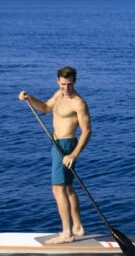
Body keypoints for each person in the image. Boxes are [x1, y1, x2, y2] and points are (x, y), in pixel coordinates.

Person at [19, 66, 91, 243]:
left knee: (57, 188)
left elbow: (87, 131)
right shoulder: (58, 95)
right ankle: (78, 227)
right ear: (58, 81)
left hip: (66, 146)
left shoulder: (78, 102)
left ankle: (67, 233)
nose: (66, 88)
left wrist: (73, 154)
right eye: (62, 84)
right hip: (57, 144)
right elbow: (45, 108)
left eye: (69, 84)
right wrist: (29, 97)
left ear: (74, 81)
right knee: (67, 188)